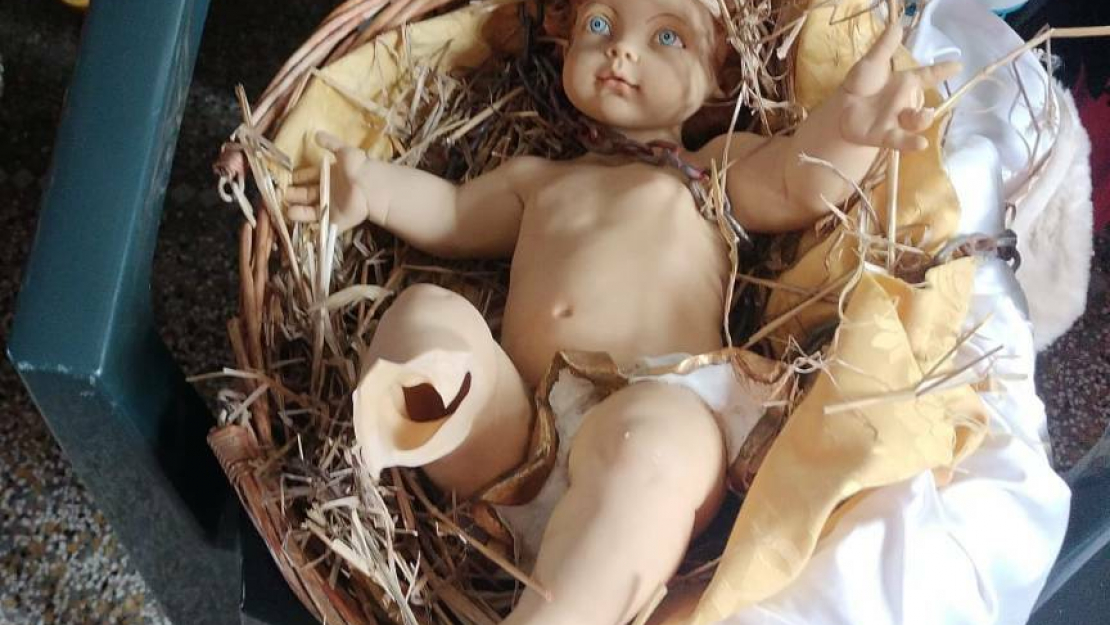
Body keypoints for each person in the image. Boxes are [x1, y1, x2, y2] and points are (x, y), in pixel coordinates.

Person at [287, 1, 958, 623]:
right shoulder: (535, 180)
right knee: (427, 311)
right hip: (522, 440)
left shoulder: (709, 174)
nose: (621, 50)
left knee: (652, 445)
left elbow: (797, 180)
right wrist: (371, 187)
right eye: (601, 25)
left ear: (719, 78)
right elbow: (453, 213)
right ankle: (415, 415)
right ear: (565, 42)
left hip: (655, 406)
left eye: (667, 36)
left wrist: (847, 129)